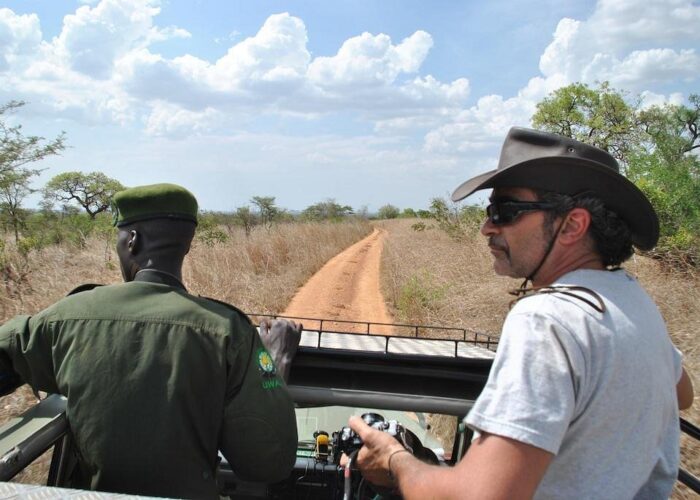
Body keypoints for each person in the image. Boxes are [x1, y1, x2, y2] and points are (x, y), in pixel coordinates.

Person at [349, 127, 694, 499]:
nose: (486, 227)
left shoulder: (547, 320)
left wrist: (394, 459)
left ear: (573, 225)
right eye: (489, 211)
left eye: (506, 211)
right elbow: (683, 392)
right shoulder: (632, 299)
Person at [0, 183, 301, 499]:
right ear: (186, 245)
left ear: (132, 241)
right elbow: (267, 465)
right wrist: (276, 367)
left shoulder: (67, 317)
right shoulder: (229, 331)